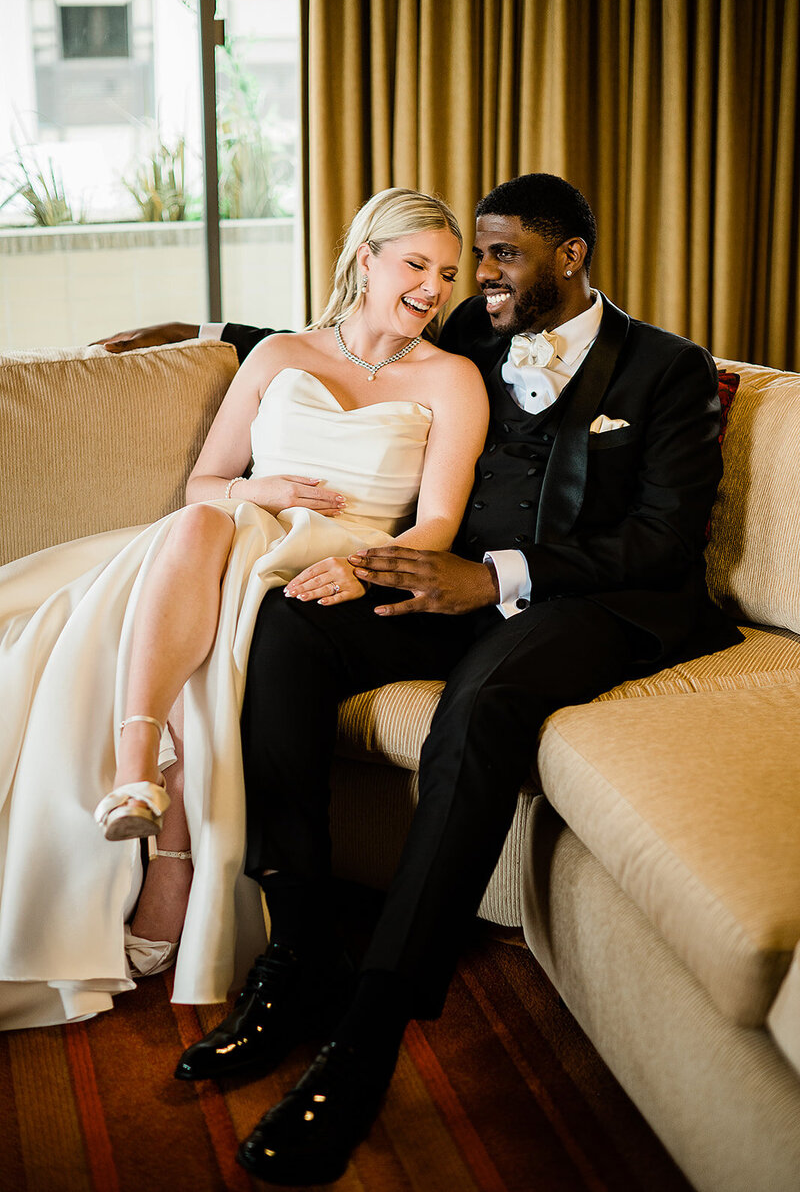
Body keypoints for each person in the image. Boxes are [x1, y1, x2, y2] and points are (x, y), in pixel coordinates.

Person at [100, 173, 741, 1186]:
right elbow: (336, 337)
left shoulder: (666, 370)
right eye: (467, 257)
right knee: (290, 624)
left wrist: (486, 577)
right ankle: (299, 950)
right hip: (454, 582)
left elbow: (658, 543)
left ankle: (366, 1032)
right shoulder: (475, 337)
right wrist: (202, 324)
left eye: (498, 256)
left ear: (568, 256)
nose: (474, 277)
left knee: (479, 710)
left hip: (595, 606)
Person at [0, 188, 488, 1031]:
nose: (432, 288)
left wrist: (362, 564)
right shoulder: (278, 357)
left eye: (445, 274)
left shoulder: (453, 378)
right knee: (197, 524)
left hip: (327, 563)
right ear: (365, 258)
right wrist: (255, 488)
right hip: (230, 537)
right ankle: (135, 772)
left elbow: (438, 523)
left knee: (237, 615)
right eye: (415, 265)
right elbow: (207, 484)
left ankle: (173, 865)